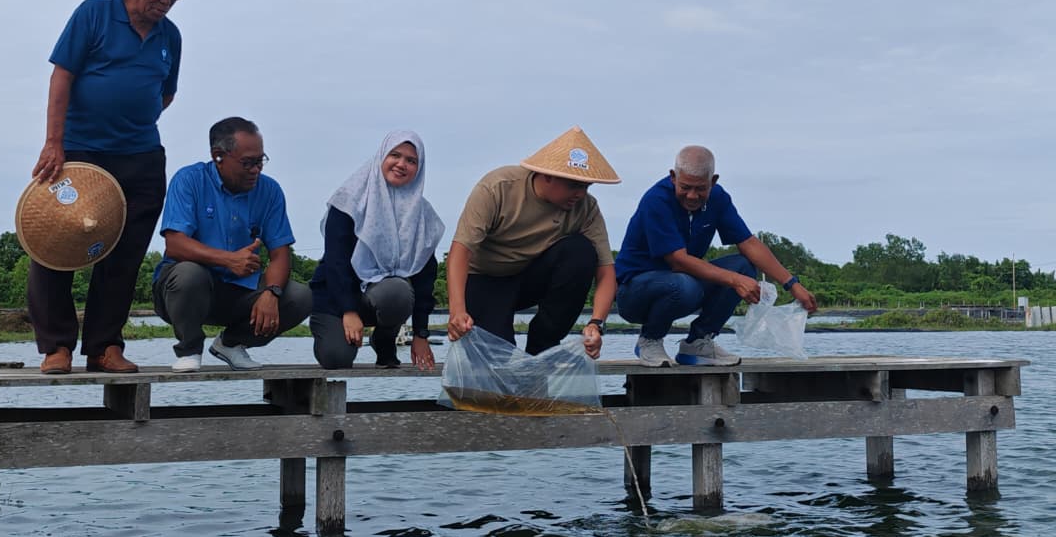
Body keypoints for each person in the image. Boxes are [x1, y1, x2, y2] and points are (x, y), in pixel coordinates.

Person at [28, 0, 189, 375]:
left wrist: (131, 117)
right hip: (78, 153)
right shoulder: (94, 13)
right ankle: (56, 346)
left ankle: (103, 347)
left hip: (140, 157)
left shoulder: (169, 36)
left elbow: (166, 93)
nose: (165, 2)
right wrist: (53, 142)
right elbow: (62, 76)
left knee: (125, 252)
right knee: (54, 240)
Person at [615, 145, 818, 367]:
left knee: (742, 266)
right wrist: (734, 280)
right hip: (636, 292)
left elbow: (748, 242)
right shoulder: (656, 200)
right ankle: (650, 340)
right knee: (686, 284)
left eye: (700, 188)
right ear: (673, 177)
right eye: (685, 187)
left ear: (713, 181)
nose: (692, 196)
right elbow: (678, 261)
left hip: (684, 286)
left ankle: (698, 342)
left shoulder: (718, 198)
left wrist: (791, 284)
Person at [152, 117, 312, 372]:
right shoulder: (189, 180)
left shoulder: (270, 191)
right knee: (189, 273)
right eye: (248, 162)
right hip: (185, 293)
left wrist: (272, 293)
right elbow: (175, 245)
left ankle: (231, 343)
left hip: (240, 292)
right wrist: (228, 259)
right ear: (218, 156)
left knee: (300, 297)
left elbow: (280, 254)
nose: (256, 170)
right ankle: (190, 349)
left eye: (260, 161)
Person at [447, 126, 620, 359]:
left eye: (586, 186)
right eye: (573, 185)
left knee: (580, 252)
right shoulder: (498, 187)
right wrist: (457, 311)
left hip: (530, 278)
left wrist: (596, 323)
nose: (580, 194)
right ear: (547, 174)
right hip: (484, 279)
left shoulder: (586, 209)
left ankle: (544, 343)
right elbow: (461, 251)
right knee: (498, 357)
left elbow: (606, 271)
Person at [310, 130, 444, 369]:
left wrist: (421, 334)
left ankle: (385, 338)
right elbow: (336, 261)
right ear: (382, 156)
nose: (401, 164)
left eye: (411, 160)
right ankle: (334, 330)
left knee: (398, 290)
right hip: (335, 298)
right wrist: (349, 311)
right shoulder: (349, 202)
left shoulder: (422, 215)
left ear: (419, 168)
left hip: (380, 298)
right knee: (336, 360)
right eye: (395, 155)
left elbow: (425, 279)